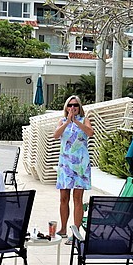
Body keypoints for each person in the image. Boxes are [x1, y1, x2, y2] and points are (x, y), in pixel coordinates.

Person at [54, 95, 94, 243]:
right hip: (65, 164)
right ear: (66, 107)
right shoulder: (62, 121)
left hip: (81, 165)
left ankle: (76, 233)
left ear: (79, 107)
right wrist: (68, 122)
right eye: (70, 105)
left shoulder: (84, 120)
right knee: (63, 198)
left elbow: (90, 133)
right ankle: (63, 229)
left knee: (78, 199)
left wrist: (76, 121)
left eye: (75, 105)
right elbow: (56, 135)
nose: (73, 108)